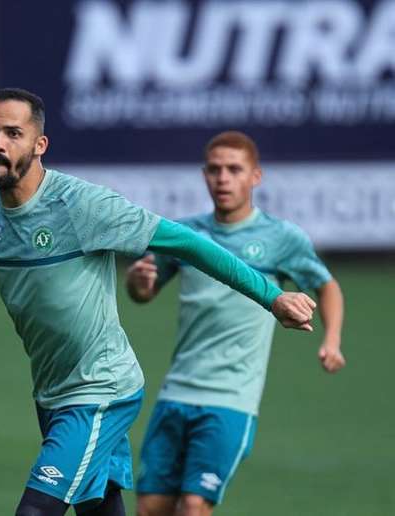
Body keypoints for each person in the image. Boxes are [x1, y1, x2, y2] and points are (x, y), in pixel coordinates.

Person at [0, 90, 317, 516]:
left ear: (40, 144)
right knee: (99, 510)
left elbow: (187, 243)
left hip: (102, 389)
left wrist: (272, 297)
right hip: (53, 394)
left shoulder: (83, 206)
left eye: (12, 134)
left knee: (36, 509)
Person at [127, 131, 345, 516]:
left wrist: (332, 339)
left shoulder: (281, 237)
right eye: (214, 170)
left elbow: (327, 287)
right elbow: (143, 292)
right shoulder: (187, 234)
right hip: (176, 391)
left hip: (231, 399)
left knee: (194, 505)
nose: (223, 178)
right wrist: (138, 282)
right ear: (203, 175)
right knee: (150, 507)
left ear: (255, 177)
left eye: (233, 169)